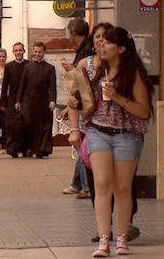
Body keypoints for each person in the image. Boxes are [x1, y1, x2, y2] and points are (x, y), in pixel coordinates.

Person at [68, 27, 152, 257]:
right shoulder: (96, 71)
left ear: (121, 49)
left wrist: (118, 98)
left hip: (127, 135)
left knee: (122, 188)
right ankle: (104, 239)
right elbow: (83, 104)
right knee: (102, 185)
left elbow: (144, 111)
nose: (101, 46)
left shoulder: (133, 74)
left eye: (108, 43)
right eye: (100, 42)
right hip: (98, 133)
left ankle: (122, 238)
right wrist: (75, 101)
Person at [60, 18, 94, 198]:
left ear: (73, 33)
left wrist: (71, 69)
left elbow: (81, 81)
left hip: (86, 107)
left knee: (83, 144)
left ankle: (86, 185)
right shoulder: (83, 49)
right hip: (80, 104)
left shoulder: (87, 52)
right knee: (82, 144)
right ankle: (79, 182)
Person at [16, 42, 57, 158]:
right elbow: (22, 85)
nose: (37, 54)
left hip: (43, 100)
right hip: (28, 100)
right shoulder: (27, 67)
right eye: (35, 52)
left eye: (39, 52)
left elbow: (52, 86)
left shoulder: (50, 68)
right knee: (28, 124)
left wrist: (52, 100)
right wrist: (18, 100)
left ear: (44, 52)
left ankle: (41, 149)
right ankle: (29, 148)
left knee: (43, 126)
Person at [1, 43, 28, 158]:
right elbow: (5, 85)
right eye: (16, 50)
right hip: (12, 98)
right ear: (13, 52)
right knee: (12, 124)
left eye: (20, 50)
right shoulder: (9, 66)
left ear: (24, 51)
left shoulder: (29, 65)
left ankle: (26, 148)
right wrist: (3, 103)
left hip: (26, 98)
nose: (18, 52)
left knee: (25, 123)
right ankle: (12, 148)